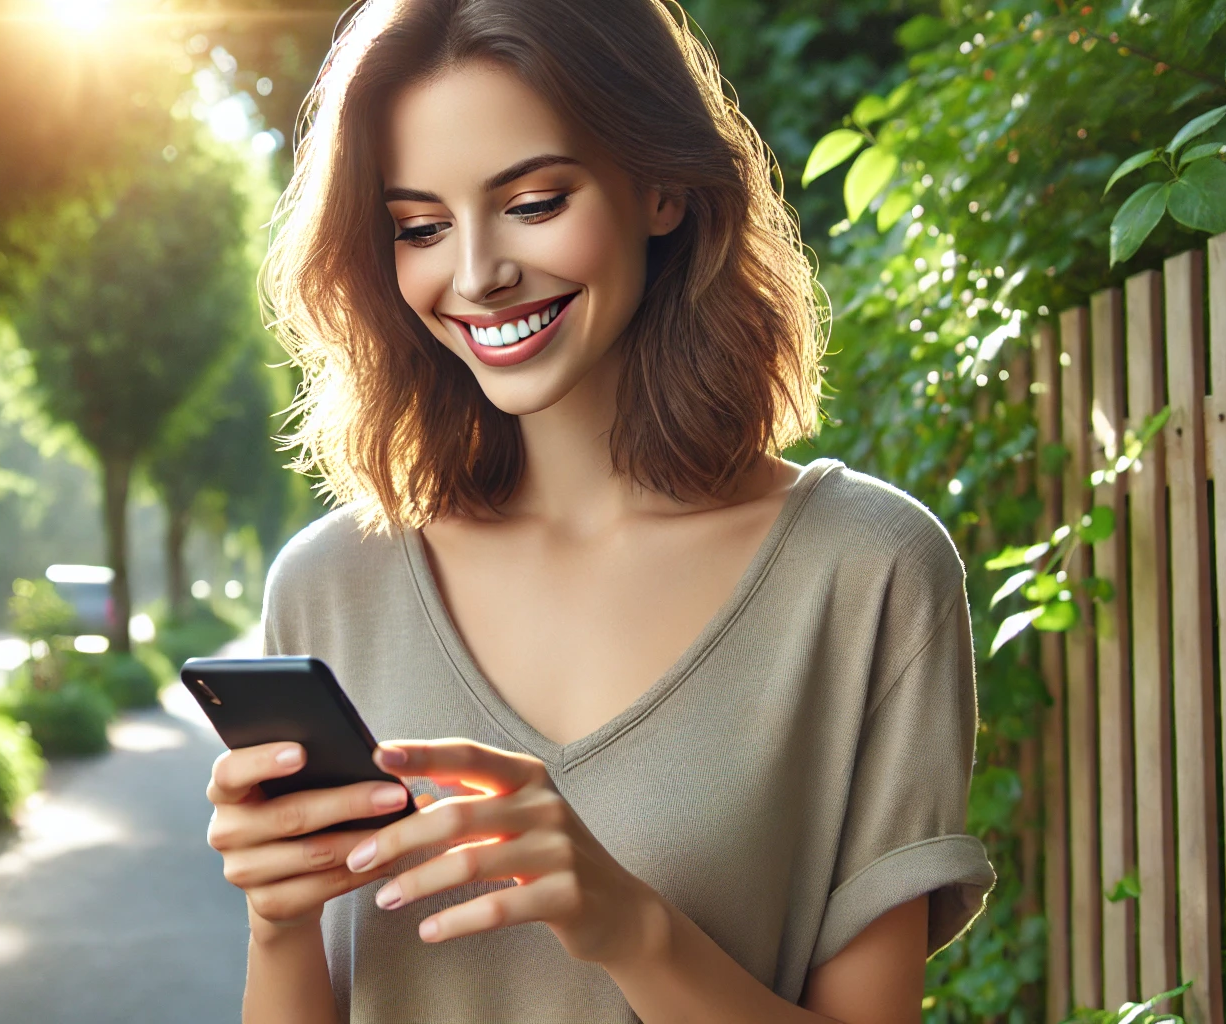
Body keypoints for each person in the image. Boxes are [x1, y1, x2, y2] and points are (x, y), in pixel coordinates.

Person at [204, 0, 995, 1020]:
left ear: (661, 185)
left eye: (532, 202)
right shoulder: (328, 586)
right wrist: (279, 922)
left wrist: (630, 924)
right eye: (420, 228)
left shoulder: (864, 570)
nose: (478, 273)